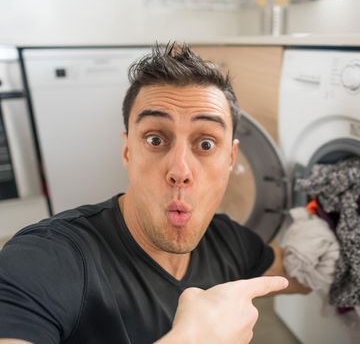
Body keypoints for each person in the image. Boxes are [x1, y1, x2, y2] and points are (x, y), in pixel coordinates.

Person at [0, 42, 308, 344]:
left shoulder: (229, 241)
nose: (180, 171)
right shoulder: (52, 256)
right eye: (155, 139)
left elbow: (294, 273)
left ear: (230, 158)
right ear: (127, 150)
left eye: (205, 144)